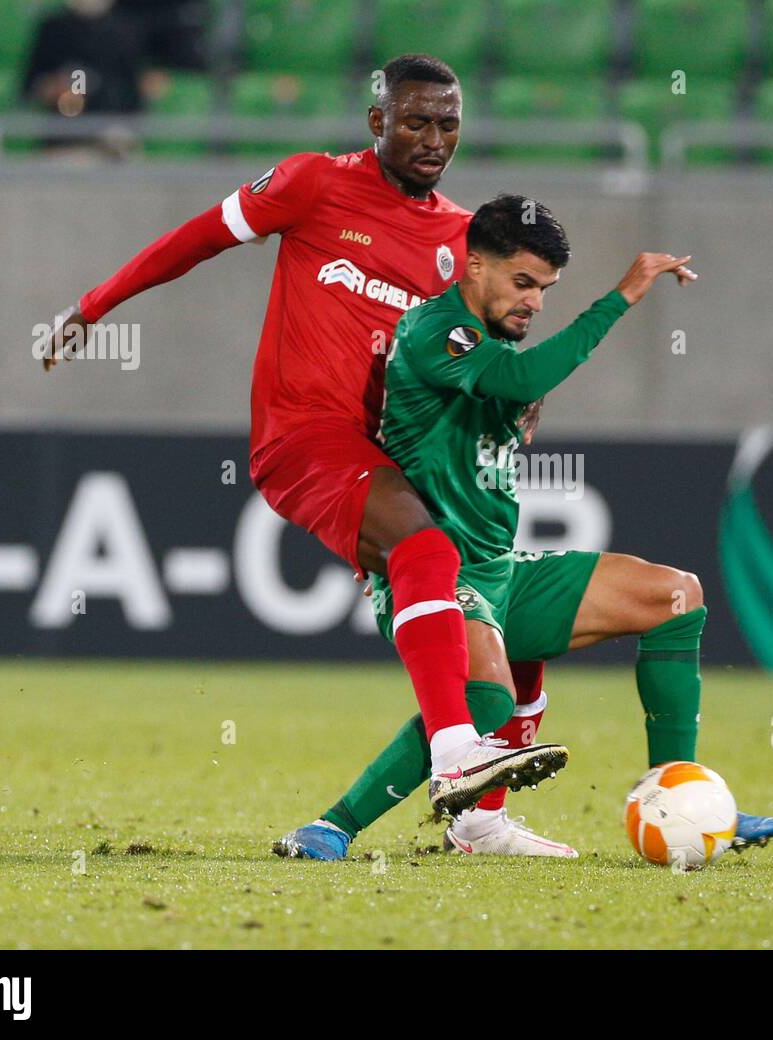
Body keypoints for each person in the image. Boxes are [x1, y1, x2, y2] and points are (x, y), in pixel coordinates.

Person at [38, 55, 564, 818]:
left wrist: (523, 395)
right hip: (304, 438)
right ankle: (455, 752)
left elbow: (493, 355)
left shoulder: (462, 242)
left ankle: (480, 819)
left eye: (448, 124)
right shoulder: (314, 184)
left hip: (400, 457)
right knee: (428, 553)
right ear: (377, 120)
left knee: (486, 597)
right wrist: (93, 305)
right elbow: (197, 238)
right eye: (415, 121)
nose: (433, 138)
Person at [276, 195, 773, 860]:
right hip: (434, 578)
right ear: (474, 266)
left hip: (499, 572)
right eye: (523, 284)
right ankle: (332, 827)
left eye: (546, 290)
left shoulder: (487, 343)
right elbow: (520, 380)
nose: (535, 303)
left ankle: (681, 795)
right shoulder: (436, 331)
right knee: (484, 705)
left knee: (675, 596)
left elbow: (511, 391)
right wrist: (624, 294)